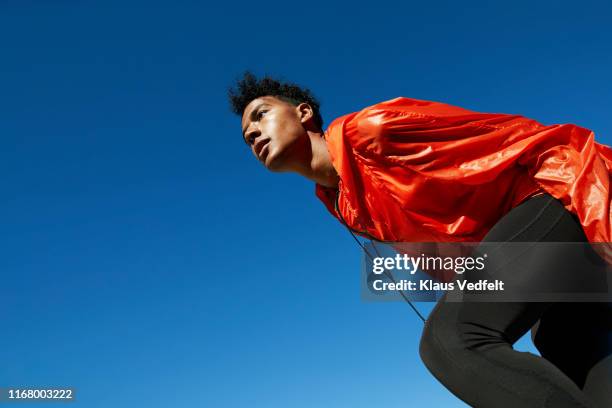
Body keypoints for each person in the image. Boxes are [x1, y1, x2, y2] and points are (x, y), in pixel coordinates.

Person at [228, 71, 612, 407]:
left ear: (304, 112)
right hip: (528, 244)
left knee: (452, 338)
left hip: (558, 196)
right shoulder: (340, 202)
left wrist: (596, 209)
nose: (252, 133)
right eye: (247, 137)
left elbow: (522, 139)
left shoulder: (373, 129)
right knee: (568, 343)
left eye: (261, 115)